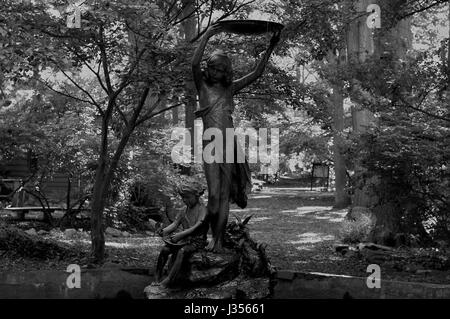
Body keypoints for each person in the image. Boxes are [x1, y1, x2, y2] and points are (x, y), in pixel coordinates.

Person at [192, 23, 281, 252]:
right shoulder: (202, 87)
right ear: (208, 68)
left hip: (229, 143)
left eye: (222, 70)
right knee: (212, 195)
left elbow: (257, 73)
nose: (218, 73)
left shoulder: (229, 90)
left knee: (223, 195)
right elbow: (193, 63)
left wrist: (270, 48)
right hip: (210, 143)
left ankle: (218, 241)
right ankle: (204, 234)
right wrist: (209, 34)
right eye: (214, 68)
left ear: (227, 72)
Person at [154, 182, 208, 287]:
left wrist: (180, 235)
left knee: (182, 252)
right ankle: (157, 276)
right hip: (184, 240)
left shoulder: (202, 210)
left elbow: (196, 227)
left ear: (196, 195)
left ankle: (169, 279)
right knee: (165, 250)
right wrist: (164, 231)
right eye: (183, 197)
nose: (184, 200)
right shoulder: (184, 210)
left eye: (187, 197)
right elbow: (175, 224)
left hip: (197, 242)